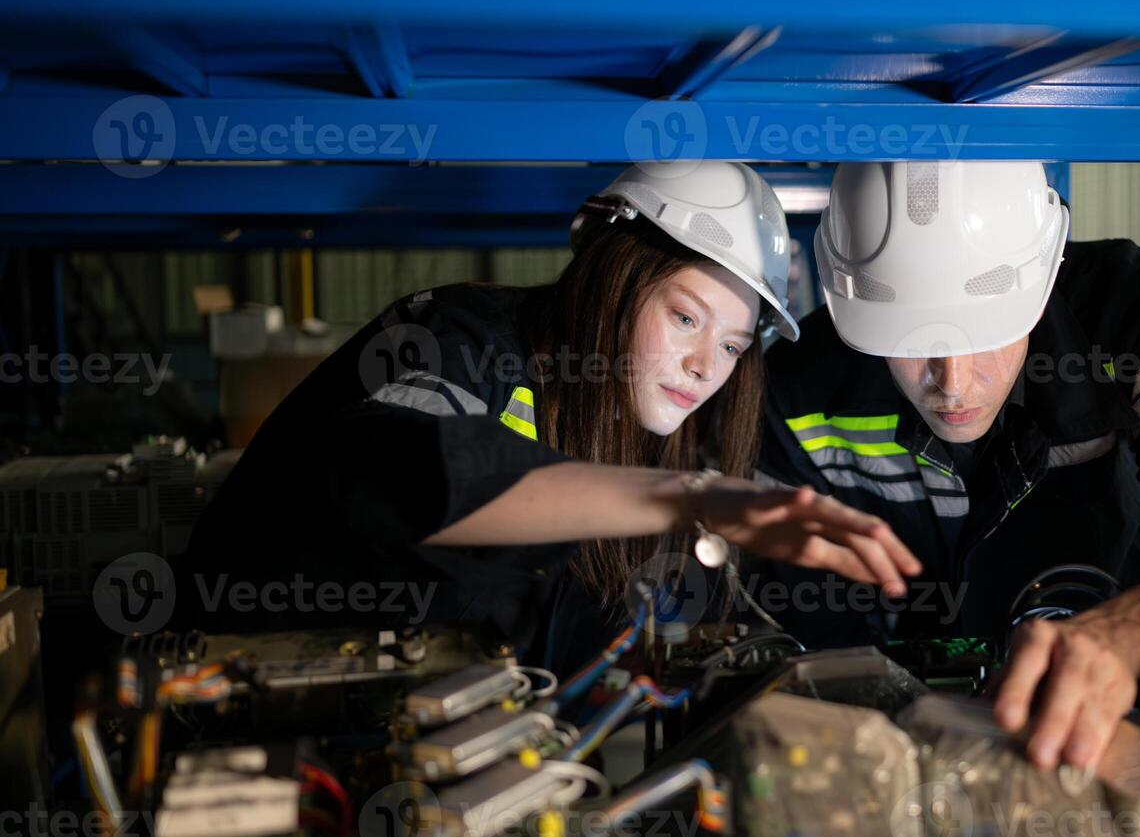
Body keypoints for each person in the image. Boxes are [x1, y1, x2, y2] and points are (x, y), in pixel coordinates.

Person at [182, 162, 921, 675]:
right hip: (242, 702)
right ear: (611, 274)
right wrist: (690, 498)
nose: (705, 364)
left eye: (731, 345)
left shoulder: (649, 427)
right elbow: (394, 468)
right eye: (686, 317)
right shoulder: (461, 341)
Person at [753, 161, 1140, 771]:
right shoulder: (801, 388)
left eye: (987, 331)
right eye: (914, 341)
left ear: (1042, 285)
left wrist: (1127, 634)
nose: (953, 383)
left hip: (1135, 717)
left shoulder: (1118, 318)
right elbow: (799, 630)